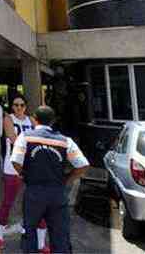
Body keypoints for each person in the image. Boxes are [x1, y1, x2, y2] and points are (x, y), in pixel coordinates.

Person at [10, 106, 90, 254]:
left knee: (29, 232)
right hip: (57, 193)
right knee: (60, 236)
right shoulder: (66, 141)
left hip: (34, 192)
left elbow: (15, 161)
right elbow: (83, 165)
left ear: (34, 118)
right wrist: (67, 179)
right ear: (53, 121)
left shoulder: (26, 137)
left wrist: (25, 175)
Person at [0, 96, 49, 254]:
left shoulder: (31, 119)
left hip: (31, 167)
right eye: (16, 105)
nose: (19, 107)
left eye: (22, 105)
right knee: (7, 202)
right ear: (12, 106)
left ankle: (41, 243)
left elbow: (43, 137)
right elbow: (14, 139)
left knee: (39, 202)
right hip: (13, 167)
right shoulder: (8, 119)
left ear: (26, 106)